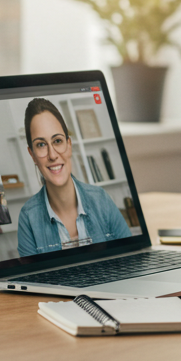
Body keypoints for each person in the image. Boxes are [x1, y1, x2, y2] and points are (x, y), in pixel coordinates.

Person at [15, 98, 132, 257]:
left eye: (57, 141)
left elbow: (131, 257)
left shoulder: (101, 199)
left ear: (69, 145)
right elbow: (30, 277)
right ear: (32, 155)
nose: (52, 155)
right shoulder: (28, 217)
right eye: (41, 145)